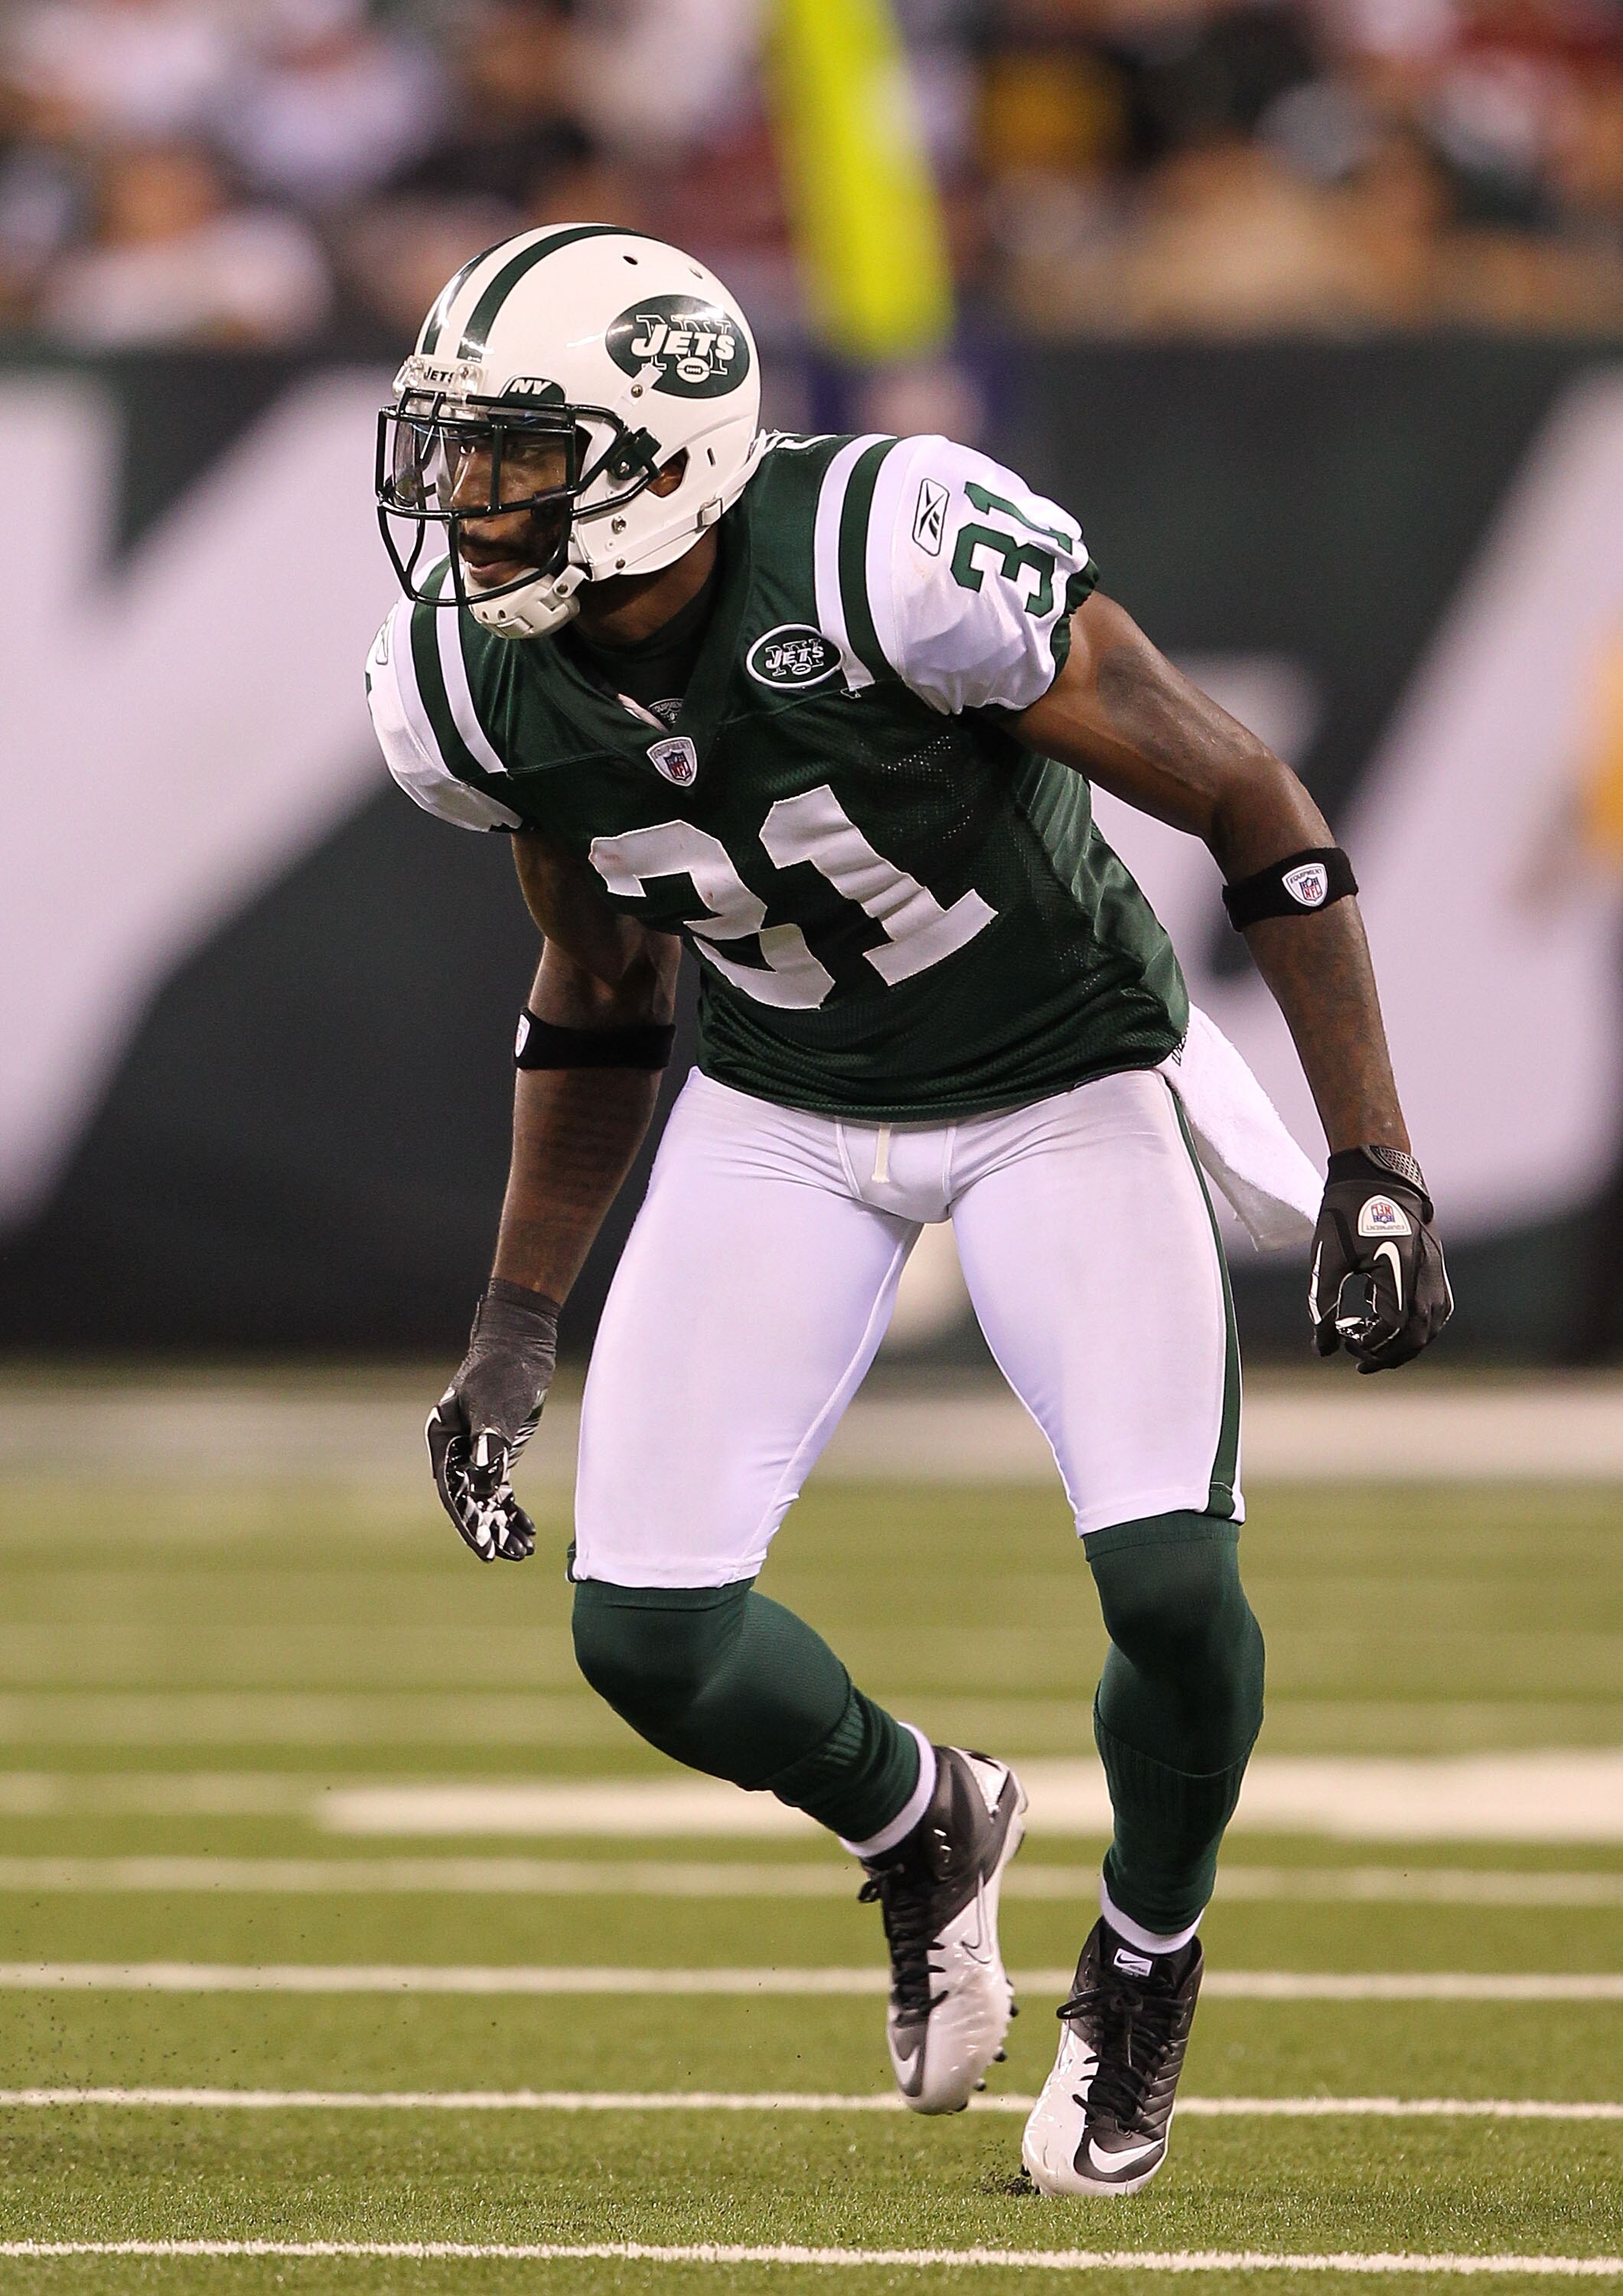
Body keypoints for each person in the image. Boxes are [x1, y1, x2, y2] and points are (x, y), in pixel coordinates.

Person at [364, 225, 1452, 2197]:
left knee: (1173, 1591)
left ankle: (1147, 1955)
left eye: (515, 454)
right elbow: (601, 985)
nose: (465, 499)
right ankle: (920, 1820)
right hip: (780, 1106)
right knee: (647, 1636)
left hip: (1066, 1079)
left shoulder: (890, 552)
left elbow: (1251, 804)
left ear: (661, 457)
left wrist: (1372, 1158)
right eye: (454, 450)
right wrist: (515, 1327)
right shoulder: (467, 686)